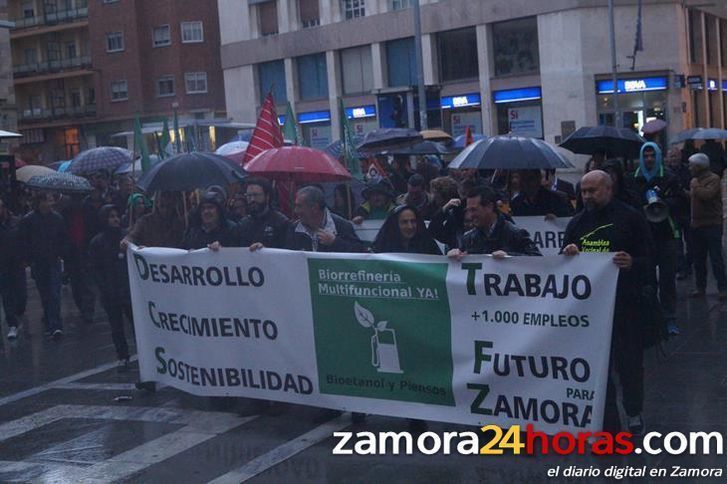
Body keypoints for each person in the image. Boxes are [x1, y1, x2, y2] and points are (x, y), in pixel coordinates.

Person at [562, 170, 654, 434]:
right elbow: (561, 265)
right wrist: (568, 253)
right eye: (583, 191)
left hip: (626, 306)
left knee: (630, 366)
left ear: (609, 189)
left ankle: (634, 411)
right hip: (591, 310)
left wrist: (633, 263)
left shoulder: (631, 218)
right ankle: (608, 419)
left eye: (593, 191)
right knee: (598, 367)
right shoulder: (577, 224)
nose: (587, 196)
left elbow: (651, 259)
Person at [630, 142, 684, 335]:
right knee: (648, 279)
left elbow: (681, 201)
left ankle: (670, 318)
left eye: (653, 155)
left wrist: (663, 202)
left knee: (668, 279)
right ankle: (652, 317)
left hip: (667, 234)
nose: (649, 159)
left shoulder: (669, 176)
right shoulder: (634, 178)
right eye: (646, 156)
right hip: (644, 236)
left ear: (658, 156)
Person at [18, 192, 69, 340]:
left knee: (54, 292)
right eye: (49, 200)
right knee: (45, 294)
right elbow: (24, 241)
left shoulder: (57, 218)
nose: (51, 203)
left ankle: (55, 325)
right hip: (38, 262)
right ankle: (49, 319)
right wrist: (27, 258)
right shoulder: (29, 220)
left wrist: (61, 252)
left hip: (53, 260)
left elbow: (63, 237)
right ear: (40, 202)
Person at [89, 205, 133, 371]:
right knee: (116, 327)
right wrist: (104, 287)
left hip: (126, 289)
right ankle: (122, 356)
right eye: (111, 216)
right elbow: (95, 268)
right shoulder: (97, 242)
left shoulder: (126, 237)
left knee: (135, 324)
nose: (115, 219)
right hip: (110, 292)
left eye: (117, 216)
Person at [447, 185, 541, 260]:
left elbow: (538, 260)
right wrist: (454, 256)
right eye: (468, 210)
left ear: (489, 207)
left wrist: (510, 256)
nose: (470, 215)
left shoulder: (515, 233)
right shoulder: (469, 239)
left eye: (474, 210)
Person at [686, 153, 727, 298]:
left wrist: (695, 186)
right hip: (697, 224)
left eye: (692, 165)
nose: (690, 168)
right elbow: (694, 197)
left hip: (712, 224)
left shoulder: (713, 179)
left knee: (716, 258)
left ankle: (723, 287)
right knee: (699, 259)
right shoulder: (694, 181)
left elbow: (707, 195)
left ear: (699, 167)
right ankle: (700, 287)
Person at [278, 186, 365, 253]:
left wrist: (335, 242)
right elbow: (284, 256)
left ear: (314, 208)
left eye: (299, 206)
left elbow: (361, 252)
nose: (296, 211)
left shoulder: (342, 225)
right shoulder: (293, 228)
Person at [234, 178, 290, 249]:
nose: (252, 199)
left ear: (267, 197)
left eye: (256, 195)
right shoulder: (242, 224)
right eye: (249, 196)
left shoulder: (281, 222)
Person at [665, 147, 693, 280]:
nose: (674, 159)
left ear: (680, 156)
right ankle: (681, 268)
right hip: (673, 213)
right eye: (671, 157)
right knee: (677, 243)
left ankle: (689, 265)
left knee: (690, 241)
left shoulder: (687, 170)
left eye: (675, 156)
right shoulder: (666, 173)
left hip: (687, 211)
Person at [371, 205, 442, 255]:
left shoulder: (428, 244)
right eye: (404, 222)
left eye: (413, 221)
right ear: (395, 224)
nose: (410, 226)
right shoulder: (382, 245)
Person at [0, 198, 22, 339]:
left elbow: (24, 240)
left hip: (17, 263)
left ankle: (18, 313)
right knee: (7, 294)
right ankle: (12, 324)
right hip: (2, 265)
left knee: (21, 295)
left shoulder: (17, 222)